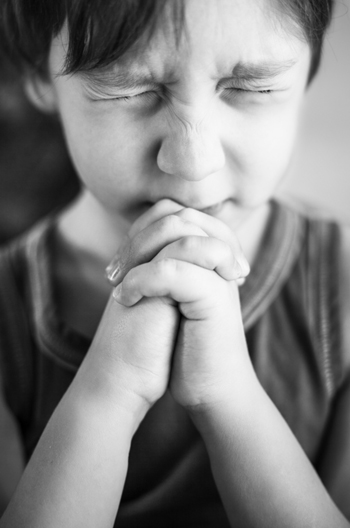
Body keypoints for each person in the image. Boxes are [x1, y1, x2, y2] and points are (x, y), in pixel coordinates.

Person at [0, 0, 349, 526]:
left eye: (253, 87)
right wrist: (110, 389)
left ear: (310, 66)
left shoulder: (340, 289)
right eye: (129, 90)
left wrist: (228, 398)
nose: (193, 163)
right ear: (38, 77)